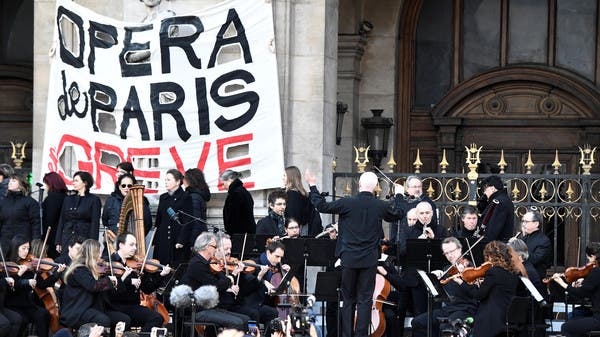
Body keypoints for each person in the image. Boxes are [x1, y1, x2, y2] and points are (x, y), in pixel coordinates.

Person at [305, 170, 405, 337]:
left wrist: (313, 185)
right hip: (369, 260)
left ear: (359, 185)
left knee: (348, 299)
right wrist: (400, 195)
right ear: (375, 188)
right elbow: (398, 214)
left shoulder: (347, 203)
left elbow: (321, 205)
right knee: (365, 300)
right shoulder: (379, 205)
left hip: (349, 259)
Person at [180, 232, 250, 331]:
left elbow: (219, 282)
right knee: (236, 322)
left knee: (245, 319)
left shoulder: (207, 263)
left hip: (211, 308)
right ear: (207, 247)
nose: (216, 249)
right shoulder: (197, 264)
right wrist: (231, 277)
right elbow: (216, 286)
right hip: (199, 310)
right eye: (215, 246)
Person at [411, 237, 477, 337]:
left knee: (445, 328)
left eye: (452, 251)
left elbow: (475, 293)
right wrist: (435, 280)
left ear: (460, 249)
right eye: (446, 253)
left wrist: (462, 279)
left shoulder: (469, 268)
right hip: (448, 309)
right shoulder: (447, 269)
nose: (449, 255)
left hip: (465, 309)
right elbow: (440, 294)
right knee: (417, 322)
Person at [106, 232, 171, 334]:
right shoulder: (110, 262)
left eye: (135, 245)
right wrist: (129, 281)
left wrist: (161, 275)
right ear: (121, 245)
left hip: (133, 306)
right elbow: (108, 286)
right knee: (124, 320)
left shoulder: (137, 265)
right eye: (131, 245)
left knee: (157, 318)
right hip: (116, 306)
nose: (135, 248)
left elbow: (147, 289)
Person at [60, 239, 129, 331]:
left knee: (124, 320)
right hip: (78, 310)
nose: (100, 255)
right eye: (98, 252)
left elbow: (104, 290)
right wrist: (109, 280)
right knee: (103, 320)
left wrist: (119, 280)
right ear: (91, 253)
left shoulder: (93, 269)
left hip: (95, 308)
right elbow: (92, 286)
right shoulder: (79, 269)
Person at [455, 241, 520, 337]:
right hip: (507, 318)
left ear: (491, 256)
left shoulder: (493, 271)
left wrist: (461, 283)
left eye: (487, 256)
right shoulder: (513, 272)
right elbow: (498, 289)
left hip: (491, 319)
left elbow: (478, 295)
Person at [5, 235, 64, 337]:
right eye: (23, 248)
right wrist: (20, 276)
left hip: (26, 304)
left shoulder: (29, 266)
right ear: (16, 247)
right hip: (13, 304)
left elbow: (42, 284)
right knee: (22, 320)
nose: (26, 251)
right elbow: (10, 287)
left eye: (28, 248)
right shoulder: (8, 265)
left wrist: (57, 273)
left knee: (43, 314)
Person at [550, 242, 600, 337]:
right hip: (595, 312)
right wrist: (584, 281)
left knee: (566, 327)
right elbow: (593, 289)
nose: (588, 262)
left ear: (593, 256)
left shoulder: (596, 271)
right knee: (575, 315)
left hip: (598, 318)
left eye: (589, 258)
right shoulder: (595, 271)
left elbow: (581, 293)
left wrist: (563, 284)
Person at [101, 174, 152, 258]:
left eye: (129, 185)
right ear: (119, 187)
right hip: (113, 243)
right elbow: (105, 220)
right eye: (123, 185)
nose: (126, 188)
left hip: (133, 245)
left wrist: (136, 237)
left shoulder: (141, 201)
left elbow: (147, 223)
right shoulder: (111, 200)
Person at [55, 171, 102, 256]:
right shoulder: (68, 199)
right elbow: (62, 220)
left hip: (84, 237)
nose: (74, 183)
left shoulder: (94, 200)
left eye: (76, 181)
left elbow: (95, 223)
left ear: (85, 183)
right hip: (67, 237)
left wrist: (93, 244)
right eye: (73, 181)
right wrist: (58, 241)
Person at [154, 169, 193, 267]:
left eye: (169, 180)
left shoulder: (185, 197)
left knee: (175, 266)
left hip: (176, 238)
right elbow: (159, 220)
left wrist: (182, 240)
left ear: (178, 182)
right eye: (165, 180)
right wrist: (156, 238)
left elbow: (188, 221)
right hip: (163, 238)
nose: (166, 182)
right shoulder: (163, 197)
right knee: (161, 266)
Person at [389, 176, 437, 242]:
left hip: (420, 241)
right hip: (401, 241)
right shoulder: (403, 201)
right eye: (414, 187)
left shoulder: (428, 203)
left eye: (419, 186)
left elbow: (434, 225)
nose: (417, 189)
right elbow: (395, 223)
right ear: (407, 189)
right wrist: (392, 241)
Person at [0, 175, 41, 252]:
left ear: (21, 185)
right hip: (5, 242)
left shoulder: (30, 202)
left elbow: (35, 223)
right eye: (10, 181)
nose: (10, 183)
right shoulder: (3, 202)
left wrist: (35, 241)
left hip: (22, 243)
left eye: (14, 181)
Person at [283, 166, 320, 236]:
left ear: (291, 178)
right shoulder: (303, 194)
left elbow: (292, 218)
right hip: (304, 232)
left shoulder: (291, 194)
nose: (283, 178)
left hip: (295, 234)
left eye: (285, 176)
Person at [477, 175, 514, 242]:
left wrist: (485, 242)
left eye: (485, 189)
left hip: (497, 245)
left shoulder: (499, 202)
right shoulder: (502, 199)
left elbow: (493, 229)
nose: (484, 192)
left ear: (493, 188)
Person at [220, 170, 256, 234]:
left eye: (223, 183)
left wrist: (230, 233)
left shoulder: (235, 194)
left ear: (230, 180)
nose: (223, 187)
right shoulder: (244, 192)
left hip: (239, 235)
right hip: (247, 233)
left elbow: (232, 218)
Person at [42, 172, 68, 259]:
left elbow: (49, 219)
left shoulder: (52, 198)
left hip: (52, 234)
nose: (45, 187)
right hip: (63, 234)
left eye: (46, 184)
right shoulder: (66, 197)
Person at [520, 209, 551, 280]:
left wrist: (519, 251)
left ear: (536, 224)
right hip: (522, 277)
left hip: (534, 279)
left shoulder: (544, 240)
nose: (523, 224)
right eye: (523, 221)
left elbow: (535, 259)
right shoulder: (524, 237)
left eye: (526, 222)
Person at [183, 168, 211, 240]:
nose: (183, 181)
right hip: (199, 235)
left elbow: (195, 221)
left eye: (184, 178)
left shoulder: (193, 197)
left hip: (196, 238)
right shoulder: (197, 195)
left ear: (190, 180)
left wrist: (193, 243)